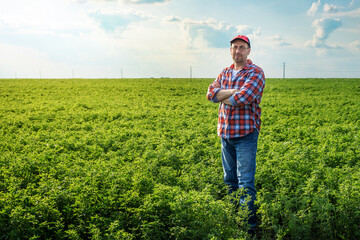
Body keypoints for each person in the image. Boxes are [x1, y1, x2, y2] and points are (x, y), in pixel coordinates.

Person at [206, 35, 265, 233]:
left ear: (249, 51)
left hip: (245, 135)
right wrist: (231, 91)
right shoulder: (225, 72)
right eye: (234, 47)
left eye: (242, 47)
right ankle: (235, 222)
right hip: (225, 135)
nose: (237, 51)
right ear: (230, 50)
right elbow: (210, 95)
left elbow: (242, 98)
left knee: (245, 183)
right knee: (229, 180)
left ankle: (250, 228)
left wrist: (223, 94)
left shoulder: (255, 72)